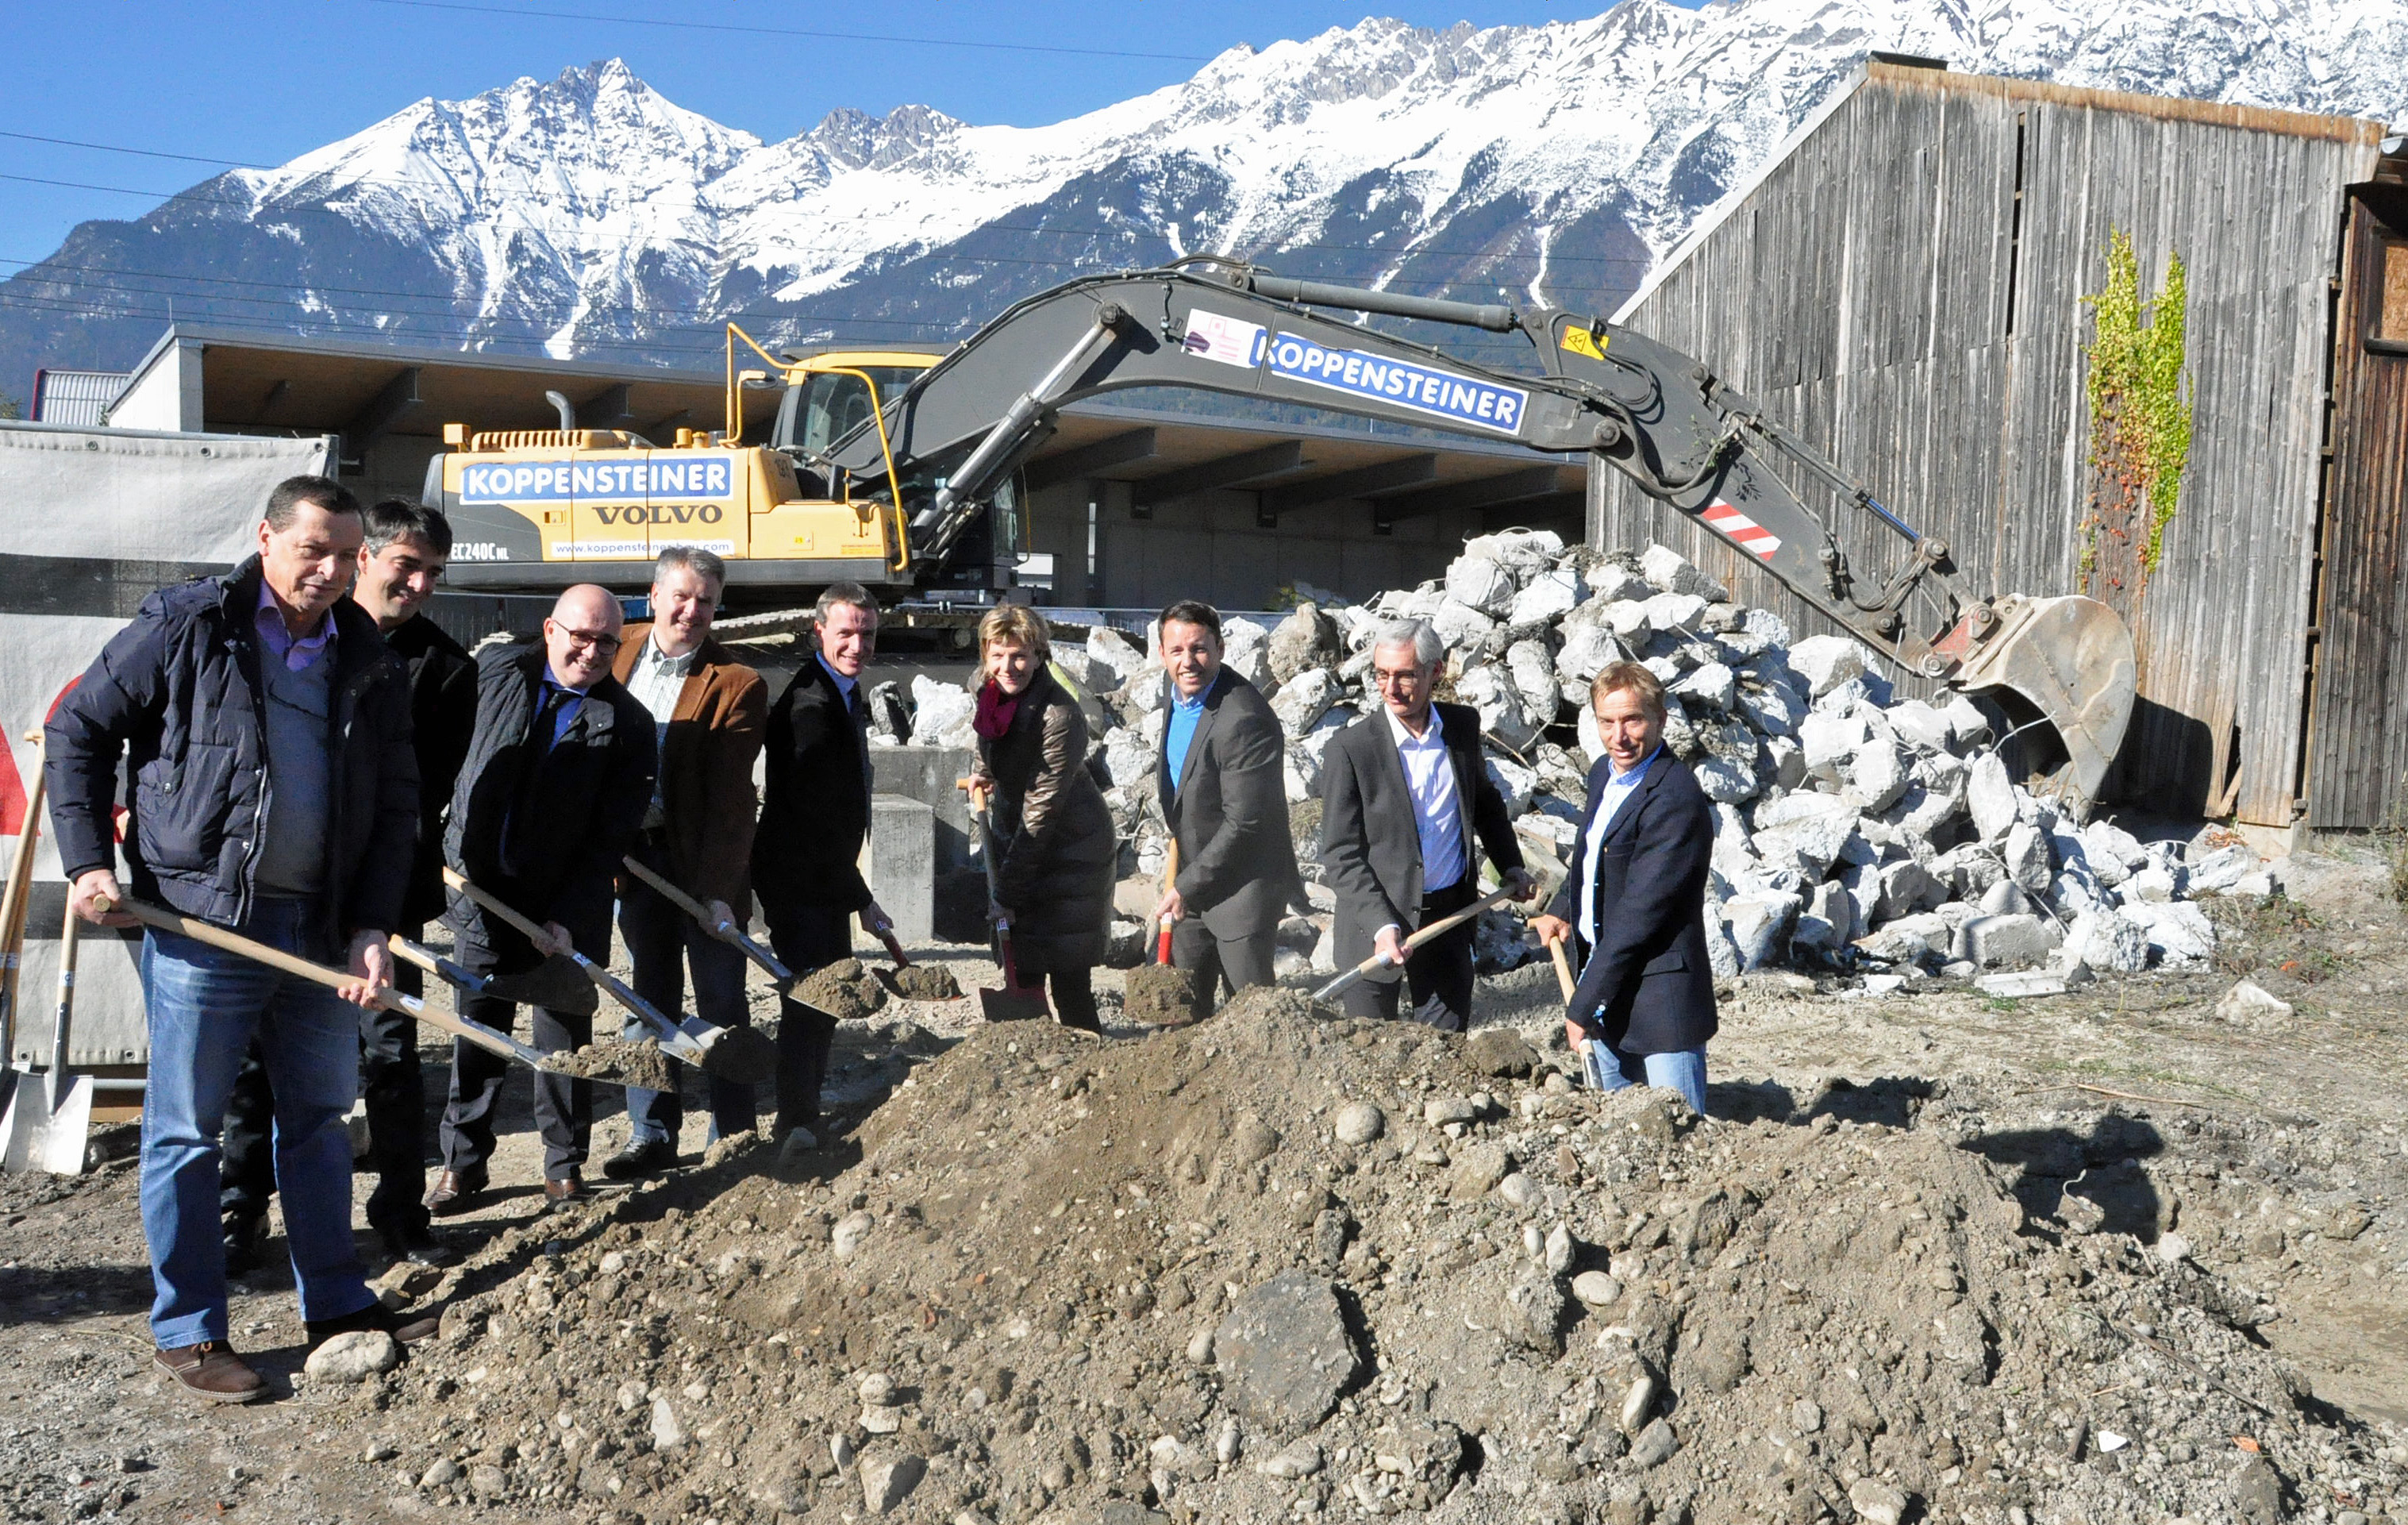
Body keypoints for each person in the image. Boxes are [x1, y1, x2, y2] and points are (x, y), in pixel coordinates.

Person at [46, 475, 434, 1404]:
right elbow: (78, 728)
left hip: (319, 929)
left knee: (319, 1121)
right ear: (266, 539)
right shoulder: (191, 626)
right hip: (202, 921)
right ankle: (189, 1329)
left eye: (346, 555)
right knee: (186, 1129)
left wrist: (372, 926)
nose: (331, 570)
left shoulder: (365, 654)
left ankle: (335, 1302)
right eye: (313, 550)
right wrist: (87, 861)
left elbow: (396, 805)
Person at [218, 499, 475, 1272]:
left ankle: (399, 1212)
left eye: (433, 573)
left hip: (377, 898)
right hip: (280, 884)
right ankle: (241, 1207)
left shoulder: (444, 668)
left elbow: (415, 797)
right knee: (255, 1055)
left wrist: (375, 904)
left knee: (389, 1053)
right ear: (366, 558)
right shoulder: (295, 635)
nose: (420, 584)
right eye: (407, 565)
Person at [428, 583, 655, 1212]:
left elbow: (609, 838)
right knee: (477, 1034)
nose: (592, 651)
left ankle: (563, 1167)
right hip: (479, 891)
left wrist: (569, 918)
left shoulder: (629, 725)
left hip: (563, 907)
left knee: (563, 1045)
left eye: (606, 641)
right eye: (581, 636)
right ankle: (462, 1163)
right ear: (551, 629)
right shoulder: (495, 673)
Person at [602, 548, 767, 1179]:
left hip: (701, 863)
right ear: (654, 595)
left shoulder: (736, 682)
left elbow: (732, 803)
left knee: (720, 1003)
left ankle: (734, 1134)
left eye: (705, 600)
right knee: (649, 1000)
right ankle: (650, 1133)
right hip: (635, 861)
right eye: (681, 596)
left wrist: (718, 892)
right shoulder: (615, 649)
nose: (692, 610)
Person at [1318, 617, 1533, 1028]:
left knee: (1444, 1049)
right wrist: (1382, 925)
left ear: (1436, 671)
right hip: (1372, 924)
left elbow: (1484, 803)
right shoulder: (1350, 749)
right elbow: (1341, 854)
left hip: (1449, 919)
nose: (1391, 688)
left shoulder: (1461, 727)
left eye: (1405, 675)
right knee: (1369, 1048)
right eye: (1381, 674)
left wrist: (1510, 864)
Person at [1529, 662, 1718, 1114]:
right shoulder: (1604, 774)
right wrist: (1563, 909)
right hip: (1608, 988)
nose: (1619, 737)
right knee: (1619, 1130)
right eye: (1607, 722)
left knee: (1678, 1130)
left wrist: (1582, 1005)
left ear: (1660, 719)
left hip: (1660, 997)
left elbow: (1641, 912)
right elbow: (1593, 857)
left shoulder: (1674, 798)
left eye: (1632, 720)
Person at [751, 583, 895, 1159]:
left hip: (822, 873)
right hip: (799, 877)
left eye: (867, 634)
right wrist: (861, 898)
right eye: (846, 633)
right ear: (819, 632)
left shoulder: (840, 691)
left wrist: (853, 893)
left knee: (825, 998)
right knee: (811, 1000)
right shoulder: (809, 707)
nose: (858, 645)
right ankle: (795, 1122)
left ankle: (804, 1110)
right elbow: (812, 819)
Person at [967, 603, 1116, 1032]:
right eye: (998, 655)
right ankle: (1033, 1055)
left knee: (1069, 976)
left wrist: (1006, 894)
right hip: (1023, 839)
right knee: (1023, 962)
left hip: (1072, 852)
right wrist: (983, 771)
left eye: (1019, 655)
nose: (1007, 667)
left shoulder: (1060, 716)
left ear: (1038, 655)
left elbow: (1042, 812)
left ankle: (1090, 1057)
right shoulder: (989, 690)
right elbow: (988, 735)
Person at [1152, 600, 1299, 1000]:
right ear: (1162, 653)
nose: (1188, 662)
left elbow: (1245, 823)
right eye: (1177, 650)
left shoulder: (1245, 718)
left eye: (1199, 649)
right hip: (1194, 878)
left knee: (1249, 1014)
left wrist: (1184, 887)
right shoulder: (1177, 691)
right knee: (1182, 1009)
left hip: (1244, 891)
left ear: (1220, 648)